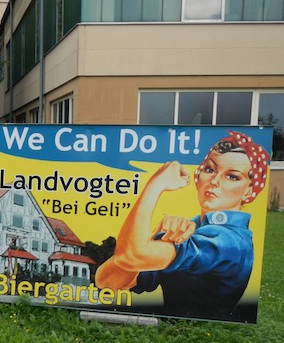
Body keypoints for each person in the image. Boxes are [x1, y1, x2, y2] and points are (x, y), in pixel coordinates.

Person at [96, 131, 270, 320]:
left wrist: (155, 185)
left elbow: (131, 255)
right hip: (169, 331)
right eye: (210, 170)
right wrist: (155, 237)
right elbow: (107, 282)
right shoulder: (195, 228)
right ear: (199, 175)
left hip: (201, 337)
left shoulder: (229, 241)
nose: (214, 182)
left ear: (249, 191)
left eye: (232, 177)